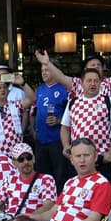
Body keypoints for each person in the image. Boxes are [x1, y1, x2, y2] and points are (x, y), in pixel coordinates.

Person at [60, 65, 111, 189]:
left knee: (102, 193)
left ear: (100, 83)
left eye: (96, 80)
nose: (93, 84)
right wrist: (66, 147)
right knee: (78, 193)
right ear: (82, 83)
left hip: (100, 159)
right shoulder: (73, 102)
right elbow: (65, 127)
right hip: (78, 159)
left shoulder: (108, 101)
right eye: (89, 80)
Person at [30, 57, 72, 185]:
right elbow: (33, 112)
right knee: (42, 176)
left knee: (60, 175)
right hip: (41, 141)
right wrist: (33, 130)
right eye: (42, 70)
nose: (44, 72)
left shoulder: (65, 90)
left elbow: (72, 115)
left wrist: (59, 120)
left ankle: (59, 202)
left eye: (47, 70)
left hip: (57, 141)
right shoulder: (39, 90)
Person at [35, 48, 111, 96]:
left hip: (103, 133)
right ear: (85, 70)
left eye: (99, 65)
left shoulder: (108, 83)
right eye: (93, 65)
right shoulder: (78, 83)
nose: (96, 67)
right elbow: (61, 77)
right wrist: (47, 64)